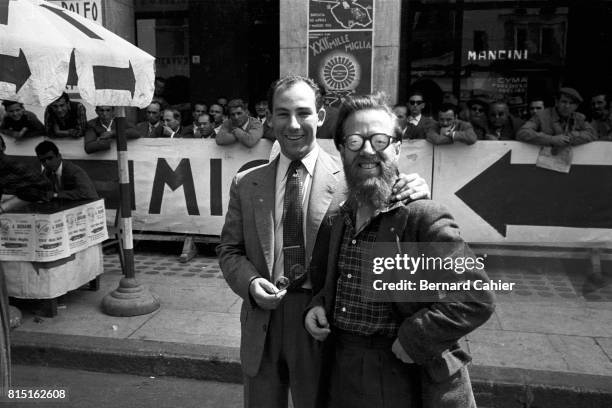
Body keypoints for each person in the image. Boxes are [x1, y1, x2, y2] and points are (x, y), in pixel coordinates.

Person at [216, 75, 431, 408]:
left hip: (321, 319)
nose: (293, 124)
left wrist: (415, 189)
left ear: (320, 115)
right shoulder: (246, 182)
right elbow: (229, 250)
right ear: (269, 118)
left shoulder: (351, 178)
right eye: (282, 113)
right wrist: (251, 281)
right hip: (262, 319)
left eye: (303, 113)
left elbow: (391, 192)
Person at [303, 93, 495, 408]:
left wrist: (415, 339)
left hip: (401, 372)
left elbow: (475, 296)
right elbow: (334, 281)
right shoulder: (341, 216)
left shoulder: (421, 215)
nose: (367, 150)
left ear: (397, 147)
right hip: (340, 366)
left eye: (380, 140)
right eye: (354, 141)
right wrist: (318, 306)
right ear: (340, 149)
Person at [517, 87, 596, 146]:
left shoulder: (580, 118)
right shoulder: (541, 115)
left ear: (576, 106)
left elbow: (592, 134)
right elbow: (522, 133)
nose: (567, 106)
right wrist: (551, 139)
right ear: (557, 102)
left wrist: (570, 137)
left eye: (571, 103)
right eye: (564, 102)